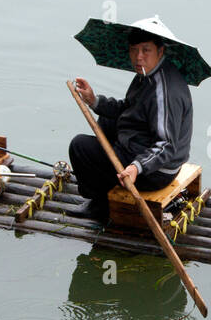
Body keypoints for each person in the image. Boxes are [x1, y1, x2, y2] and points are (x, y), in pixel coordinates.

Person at [69, 26, 194, 224]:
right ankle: (108, 179)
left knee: (80, 147)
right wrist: (94, 100)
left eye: (146, 50)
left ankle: (100, 204)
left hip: (157, 172)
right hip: (145, 148)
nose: (138, 57)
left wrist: (136, 167)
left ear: (160, 51)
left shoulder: (164, 92)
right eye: (134, 50)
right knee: (106, 120)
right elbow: (128, 109)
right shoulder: (148, 73)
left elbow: (166, 145)